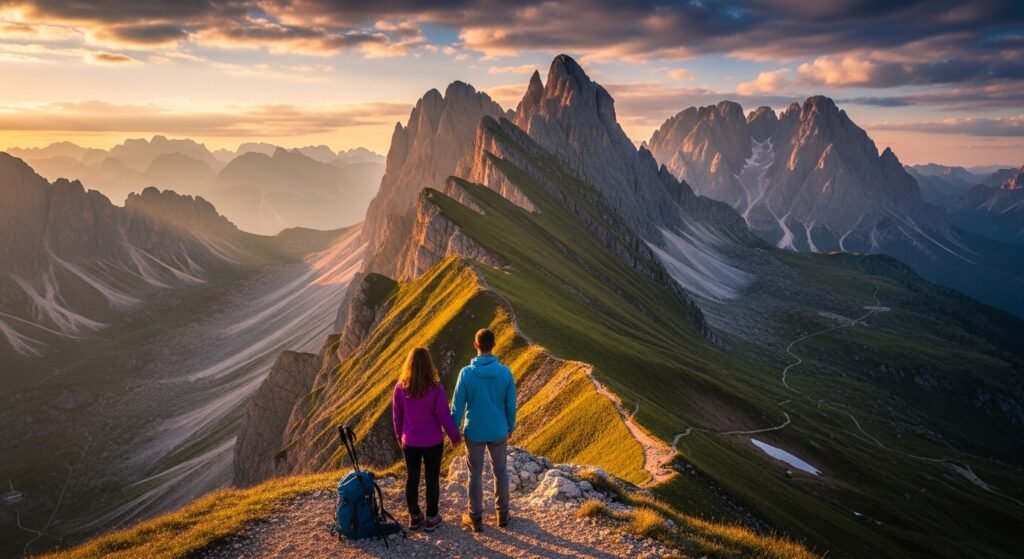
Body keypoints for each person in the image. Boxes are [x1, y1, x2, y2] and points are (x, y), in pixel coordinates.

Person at [451, 328, 517, 532]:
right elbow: (510, 404)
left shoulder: (466, 374)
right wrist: (509, 427)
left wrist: (454, 431)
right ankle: (502, 514)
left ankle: (475, 517)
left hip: (475, 432)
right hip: (498, 430)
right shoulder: (505, 372)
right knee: (500, 471)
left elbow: (457, 406)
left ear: (476, 345)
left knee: (475, 474)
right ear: (494, 345)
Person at [392, 347, 460, 532]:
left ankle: (414, 516)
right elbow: (444, 416)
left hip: (410, 441)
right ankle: (431, 517)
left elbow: (397, 416)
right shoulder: (436, 389)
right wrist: (455, 437)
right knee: (432, 479)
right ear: (429, 365)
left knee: (411, 478)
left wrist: (400, 436)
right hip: (433, 442)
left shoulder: (400, 388)